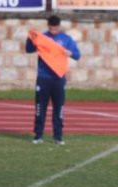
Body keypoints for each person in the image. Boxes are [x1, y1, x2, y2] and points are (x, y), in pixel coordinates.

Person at [25, 15, 81, 146]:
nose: (53, 30)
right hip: (43, 77)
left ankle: (58, 136)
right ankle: (38, 135)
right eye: (51, 28)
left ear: (59, 26)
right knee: (40, 108)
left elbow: (77, 55)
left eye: (55, 28)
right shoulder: (42, 38)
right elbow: (28, 50)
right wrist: (30, 38)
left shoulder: (66, 39)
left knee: (59, 108)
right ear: (48, 26)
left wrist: (70, 53)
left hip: (59, 78)